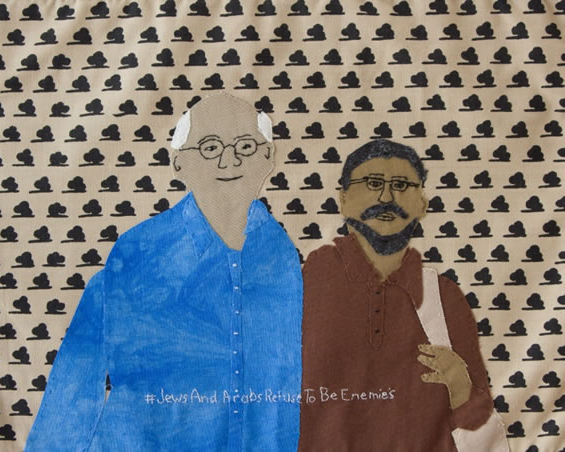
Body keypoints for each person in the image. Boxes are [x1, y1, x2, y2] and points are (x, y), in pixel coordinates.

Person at [25, 92, 303, 451]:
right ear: (179, 164)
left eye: (246, 146)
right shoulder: (138, 250)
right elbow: (79, 368)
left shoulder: (283, 254)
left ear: (268, 157)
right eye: (209, 148)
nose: (229, 160)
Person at [298, 139, 508, 451]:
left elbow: (480, 422)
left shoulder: (443, 296)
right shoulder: (299, 287)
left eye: (401, 185)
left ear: (421, 204)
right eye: (372, 183)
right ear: (343, 199)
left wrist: (460, 386)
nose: (386, 197)